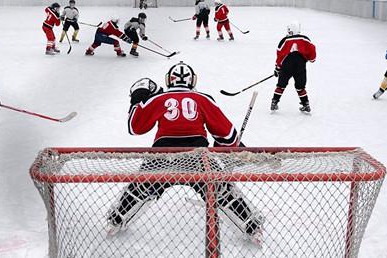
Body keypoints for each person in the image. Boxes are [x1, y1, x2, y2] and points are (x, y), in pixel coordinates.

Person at [107, 62, 264, 244]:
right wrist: (226, 145)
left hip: (162, 154)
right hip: (198, 156)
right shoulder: (203, 99)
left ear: (169, 80)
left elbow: (135, 128)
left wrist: (137, 99)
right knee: (220, 189)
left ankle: (116, 220)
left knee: (141, 187)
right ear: (192, 81)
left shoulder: (158, 98)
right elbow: (228, 136)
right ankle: (252, 227)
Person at [270, 21, 316, 114]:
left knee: (281, 85)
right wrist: (311, 58)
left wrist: (277, 68)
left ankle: (274, 102)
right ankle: (305, 104)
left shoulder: (284, 40)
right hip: (300, 65)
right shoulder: (305, 39)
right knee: (300, 86)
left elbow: (280, 55)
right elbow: (312, 50)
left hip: (287, 65)